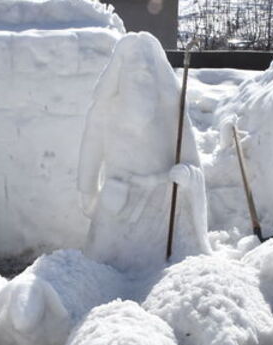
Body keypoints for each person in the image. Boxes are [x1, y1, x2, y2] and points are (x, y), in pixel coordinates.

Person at [78, 32, 212, 274]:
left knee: (173, 269)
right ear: (119, 76)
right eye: (133, 75)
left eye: (147, 75)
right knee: (96, 269)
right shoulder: (104, 112)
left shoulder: (172, 113)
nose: (141, 82)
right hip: (116, 207)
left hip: (163, 211)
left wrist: (187, 176)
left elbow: (192, 166)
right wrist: (89, 194)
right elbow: (91, 154)